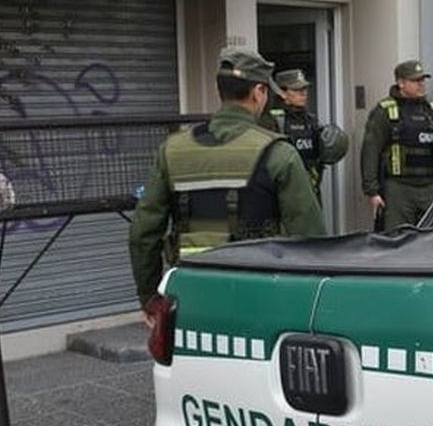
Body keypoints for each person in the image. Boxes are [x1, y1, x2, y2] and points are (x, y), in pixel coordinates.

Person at [127, 48, 325, 311]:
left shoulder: (172, 150)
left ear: (221, 91)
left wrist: (150, 298)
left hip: (191, 296)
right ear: (258, 92)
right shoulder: (278, 153)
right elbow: (310, 237)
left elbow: (143, 234)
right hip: (260, 298)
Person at [361, 59, 433, 232]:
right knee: (397, 240)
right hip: (399, 189)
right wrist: (372, 191)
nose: (421, 84)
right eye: (415, 80)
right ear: (401, 83)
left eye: (423, 80)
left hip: (431, 186)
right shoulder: (385, 112)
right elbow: (370, 151)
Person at [264, 68, 347, 205]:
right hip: (284, 196)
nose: (303, 93)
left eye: (304, 89)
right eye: (297, 90)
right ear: (283, 93)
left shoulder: (311, 120)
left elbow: (326, 155)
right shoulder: (273, 121)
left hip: (310, 192)